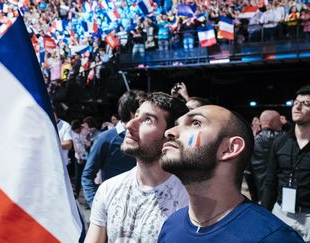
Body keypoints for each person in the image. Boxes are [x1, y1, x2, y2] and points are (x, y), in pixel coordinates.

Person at [159, 105, 304, 242]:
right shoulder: (171, 225)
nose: (169, 132)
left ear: (229, 148)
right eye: (177, 123)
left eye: (196, 123)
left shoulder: (274, 238)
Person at [85, 92, 189, 243]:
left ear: (170, 136)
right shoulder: (108, 189)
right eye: (136, 116)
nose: (129, 124)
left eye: (148, 120)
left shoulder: (189, 200)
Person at [82, 90, 147, 207]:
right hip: (114, 208)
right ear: (134, 113)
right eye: (145, 111)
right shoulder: (105, 139)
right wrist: (96, 206)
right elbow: (87, 175)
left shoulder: (147, 137)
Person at [262, 85, 310, 241]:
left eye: (306, 103)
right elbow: (270, 182)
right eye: (296, 102)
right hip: (281, 212)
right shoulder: (280, 142)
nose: (297, 106)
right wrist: (263, 215)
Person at [249, 110, 283, 202]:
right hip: (278, 194)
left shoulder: (252, 141)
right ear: (272, 122)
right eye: (279, 120)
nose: (281, 123)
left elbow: (248, 172)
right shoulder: (282, 139)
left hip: (258, 192)